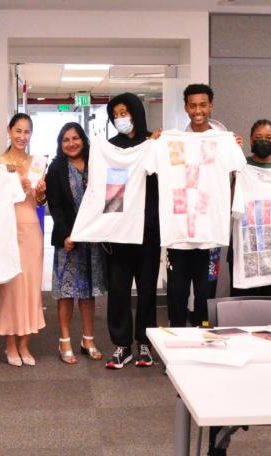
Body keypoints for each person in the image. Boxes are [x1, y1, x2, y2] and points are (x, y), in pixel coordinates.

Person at [167, 83, 241, 328]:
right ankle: (175, 341)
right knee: (176, 292)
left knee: (206, 292)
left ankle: (202, 339)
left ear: (211, 106)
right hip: (180, 232)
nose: (197, 110)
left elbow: (238, 173)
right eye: (192, 106)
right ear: (186, 108)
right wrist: (156, 142)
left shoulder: (224, 141)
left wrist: (233, 147)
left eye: (202, 105)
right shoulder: (176, 143)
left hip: (209, 231)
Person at [104, 92, 161, 369]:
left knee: (147, 289)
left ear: (136, 112)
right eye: (115, 115)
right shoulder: (111, 148)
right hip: (119, 231)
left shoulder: (154, 144)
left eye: (124, 113)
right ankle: (122, 344)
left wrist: (156, 147)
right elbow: (110, 191)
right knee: (118, 290)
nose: (120, 118)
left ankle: (145, 343)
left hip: (149, 230)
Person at [45, 122, 106, 365]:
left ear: (83, 140)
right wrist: (65, 235)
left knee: (89, 293)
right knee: (67, 293)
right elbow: (55, 205)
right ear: (60, 144)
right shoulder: (56, 168)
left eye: (75, 138)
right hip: (68, 241)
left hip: (93, 240)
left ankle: (88, 340)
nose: (71, 143)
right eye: (66, 139)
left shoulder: (96, 164)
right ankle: (65, 341)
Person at [0, 113, 46, 367]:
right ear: (9, 131)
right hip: (7, 228)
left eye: (26, 132)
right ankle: (10, 344)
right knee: (11, 288)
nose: (22, 136)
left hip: (32, 227)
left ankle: (25, 343)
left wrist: (41, 193)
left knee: (31, 286)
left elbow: (39, 202)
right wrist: (16, 187)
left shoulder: (38, 163)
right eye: (18, 131)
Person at [228, 119, 271, 298]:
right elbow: (231, 206)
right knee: (243, 304)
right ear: (251, 140)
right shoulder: (241, 166)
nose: (264, 141)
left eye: (268, 137)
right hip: (245, 247)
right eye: (258, 137)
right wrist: (235, 175)